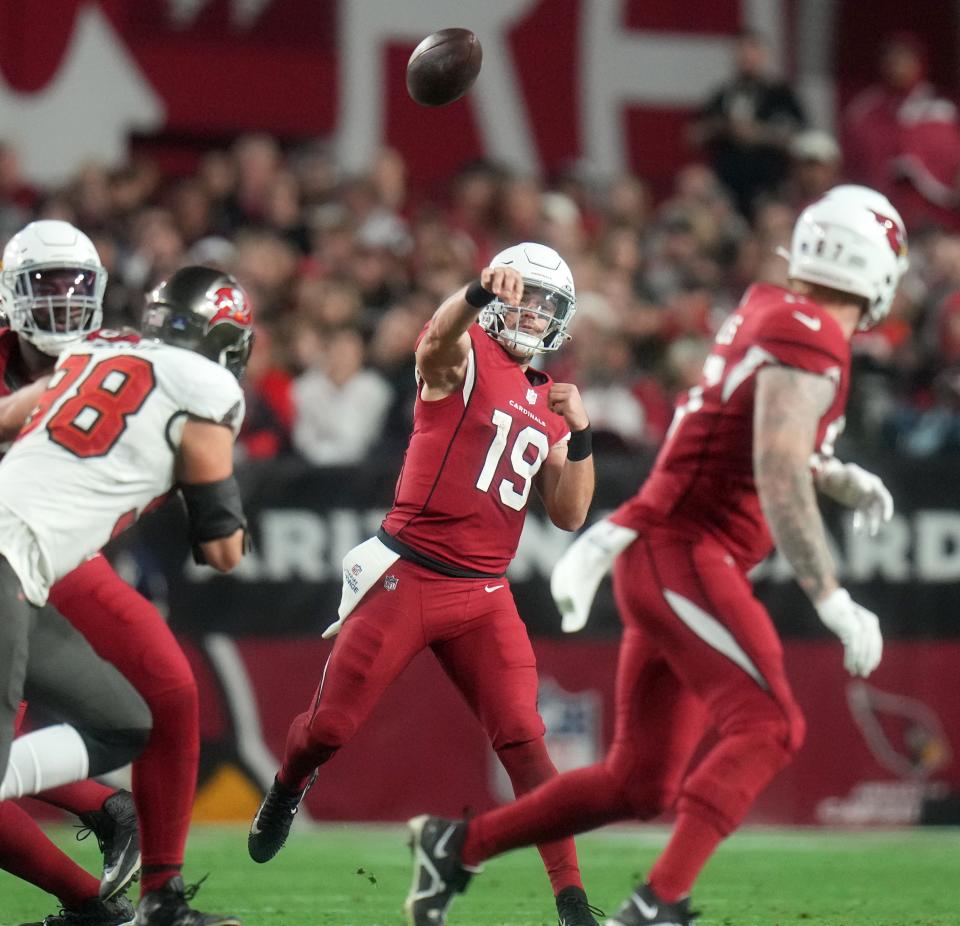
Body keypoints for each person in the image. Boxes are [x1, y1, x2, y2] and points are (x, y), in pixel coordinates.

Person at [402, 186, 908, 926]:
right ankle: (657, 904)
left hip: (665, 553)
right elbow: (773, 461)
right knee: (771, 727)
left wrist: (829, 473)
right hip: (688, 554)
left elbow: (754, 433)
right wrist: (829, 593)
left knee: (639, 783)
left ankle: (456, 847)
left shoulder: (774, 308)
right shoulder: (810, 333)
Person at [248, 242, 602, 926]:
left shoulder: (550, 398)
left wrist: (582, 434)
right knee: (329, 728)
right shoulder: (466, 353)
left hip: (484, 595)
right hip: (408, 574)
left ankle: (573, 902)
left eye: (546, 306)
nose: (533, 315)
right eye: (522, 297)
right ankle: (289, 782)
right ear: (499, 298)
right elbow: (437, 339)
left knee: (527, 740)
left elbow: (569, 512)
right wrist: (473, 291)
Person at [0, 239, 254, 926]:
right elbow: (223, 548)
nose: (60, 300)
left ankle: (155, 891)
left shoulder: (95, 352)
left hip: (46, 557)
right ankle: (92, 896)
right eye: (43, 284)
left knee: (150, 704)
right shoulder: (198, 384)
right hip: (16, 553)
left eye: (73, 283)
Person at [689, 29, 807, 218]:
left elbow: (801, 136)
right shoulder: (724, 94)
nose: (746, 58)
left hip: (769, 184)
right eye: (741, 52)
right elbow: (694, 134)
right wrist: (724, 127)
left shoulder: (781, 95)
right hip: (728, 186)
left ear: (764, 56)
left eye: (752, 51)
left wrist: (760, 134)